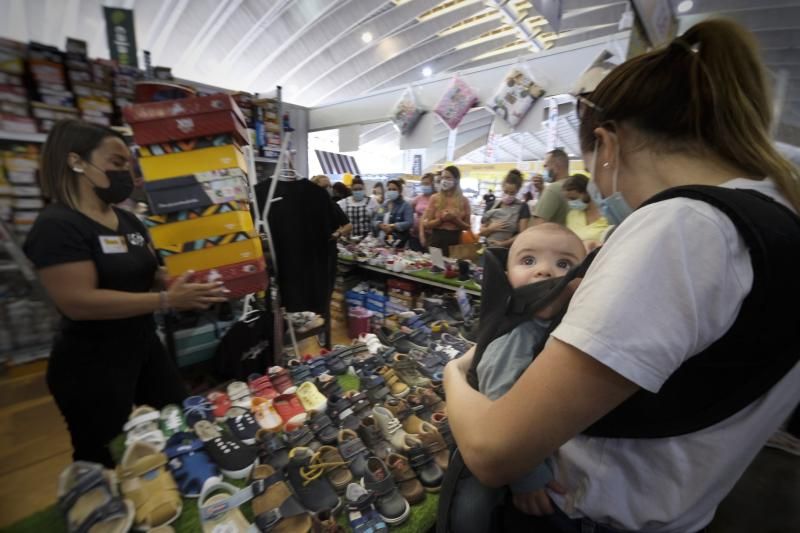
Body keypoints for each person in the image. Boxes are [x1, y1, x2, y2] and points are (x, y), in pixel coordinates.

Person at [443, 19, 800, 533]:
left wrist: (455, 375)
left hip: (587, 514)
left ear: (607, 146)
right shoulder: (777, 214)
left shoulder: (684, 227)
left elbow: (493, 450)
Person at [23, 120, 228, 467]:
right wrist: (166, 301)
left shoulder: (128, 221)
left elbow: (149, 272)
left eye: (129, 166)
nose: (127, 175)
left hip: (144, 347)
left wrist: (179, 281)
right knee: (105, 454)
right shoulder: (56, 226)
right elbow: (78, 302)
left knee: (179, 420)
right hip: (90, 362)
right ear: (76, 162)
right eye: (117, 163)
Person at [450, 224, 586, 533]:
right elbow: (500, 416)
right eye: (528, 261)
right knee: (472, 512)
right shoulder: (518, 336)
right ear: (507, 275)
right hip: (500, 453)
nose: (544, 272)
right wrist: (526, 478)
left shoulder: (554, 325)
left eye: (563, 264)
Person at [422, 165, 472, 256]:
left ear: (456, 180)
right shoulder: (435, 198)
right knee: (436, 268)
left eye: (448, 177)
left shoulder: (464, 201)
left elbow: (467, 227)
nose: (444, 180)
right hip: (436, 239)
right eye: (442, 178)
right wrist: (441, 219)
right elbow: (427, 224)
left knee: (452, 269)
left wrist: (455, 220)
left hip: (455, 240)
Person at [479, 169, 531, 247]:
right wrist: (491, 228)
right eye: (505, 192)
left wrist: (503, 244)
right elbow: (481, 233)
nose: (508, 195)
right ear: (502, 187)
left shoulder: (522, 207)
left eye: (512, 193)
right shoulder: (491, 206)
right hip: (488, 248)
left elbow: (522, 234)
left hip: (509, 250)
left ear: (518, 191)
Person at [562, 174, 610, 248]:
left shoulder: (608, 215)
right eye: (568, 199)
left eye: (573, 198)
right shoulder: (572, 215)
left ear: (587, 192)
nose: (570, 202)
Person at [531, 149, 570, 226]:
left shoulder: (554, 188)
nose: (545, 170)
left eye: (546, 166)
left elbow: (538, 226)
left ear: (557, 166)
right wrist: (541, 189)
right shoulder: (574, 185)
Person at [372, 179, 413, 247]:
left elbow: (409, 222)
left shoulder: (406, 205)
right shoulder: (384, 205)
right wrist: (380, 225)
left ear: (400, 191)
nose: (391, 191)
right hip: (382, 241)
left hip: (398, 241)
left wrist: (393, 226)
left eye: (394, 189)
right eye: (389, 189)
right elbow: (376, 218)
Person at [409, 172, 435, 251]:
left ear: (432, 184)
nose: (424, 186)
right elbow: (410, 211)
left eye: (427, 184)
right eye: (422, 184)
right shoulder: (418, 198)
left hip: (430, 234)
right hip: (415, 234)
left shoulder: (435, 198)